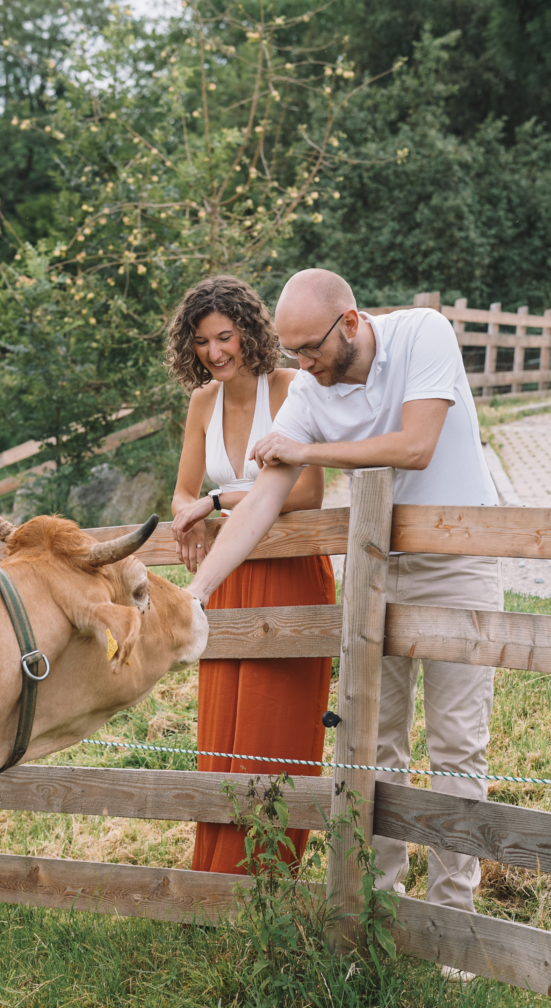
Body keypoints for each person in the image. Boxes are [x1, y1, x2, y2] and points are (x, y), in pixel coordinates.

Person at [184, 267, 502, 918]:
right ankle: (380, 904)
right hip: (375, 568)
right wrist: (198, 589)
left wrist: (310, 450)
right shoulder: (310, 387)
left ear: (350, 324)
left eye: (311, 349)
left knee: (457, 743)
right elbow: (263, 501)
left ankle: (453, 917)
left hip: (457, 561)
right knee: (373, 741)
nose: (302, 365)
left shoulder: (423, 335)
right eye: (293, 351)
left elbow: (415, 446)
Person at [167, 274, 336, 875]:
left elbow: (308, 490)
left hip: (290, 572)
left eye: (225, 336)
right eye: (202, 342)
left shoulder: (291, 386)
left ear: (249, 332)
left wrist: (215, 504)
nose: (215, 352)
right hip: (229, 579)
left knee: (274, 724)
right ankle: (214, 876)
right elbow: (183, 490)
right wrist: (191, 518)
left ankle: (266, 878)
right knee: (223, 725)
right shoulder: (201, 404)